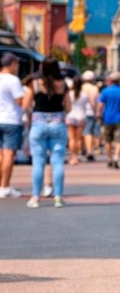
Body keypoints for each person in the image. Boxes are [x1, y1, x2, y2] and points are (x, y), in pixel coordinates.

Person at [23, 57, 71, 208]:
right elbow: (68, 108)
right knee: (57, 162)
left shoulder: (35, 83)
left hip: (38, 124)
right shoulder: (63, 84)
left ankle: (35, 198)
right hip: (58, 124)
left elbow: (25, 105)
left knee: (38, 163)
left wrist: (35, 112)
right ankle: (58, 197)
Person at [0, 52, 25, 199]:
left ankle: (1, 185)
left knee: (1, 155)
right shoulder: (13, 80)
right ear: (12, 64)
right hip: (11, 120)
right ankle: (5, 186)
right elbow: (19, 101)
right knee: (9, 154)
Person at [97, 72, 120, 168]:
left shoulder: (105, 91)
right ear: (119, 81)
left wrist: (99, 115)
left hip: (107, 118)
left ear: (110, 81)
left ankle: (109, 159)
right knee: (119, 140)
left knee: (107, 140)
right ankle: (116, 157)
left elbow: (100, 105)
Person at [65, 76, 89, 165]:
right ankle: (78, 156)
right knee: (78, 138)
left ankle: (73, 156)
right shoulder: (84, 94)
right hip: (81, 116)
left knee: (71, 138)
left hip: (71, 115)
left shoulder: (69, 93)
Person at [80, 70, 100, 161]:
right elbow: (93, 102)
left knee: (82, 132)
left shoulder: (79, 87)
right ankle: (89, 150)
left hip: (79, 112)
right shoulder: (94, 88)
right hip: (90, 112)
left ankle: (82, 149)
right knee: (89, 132)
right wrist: (96, 112)